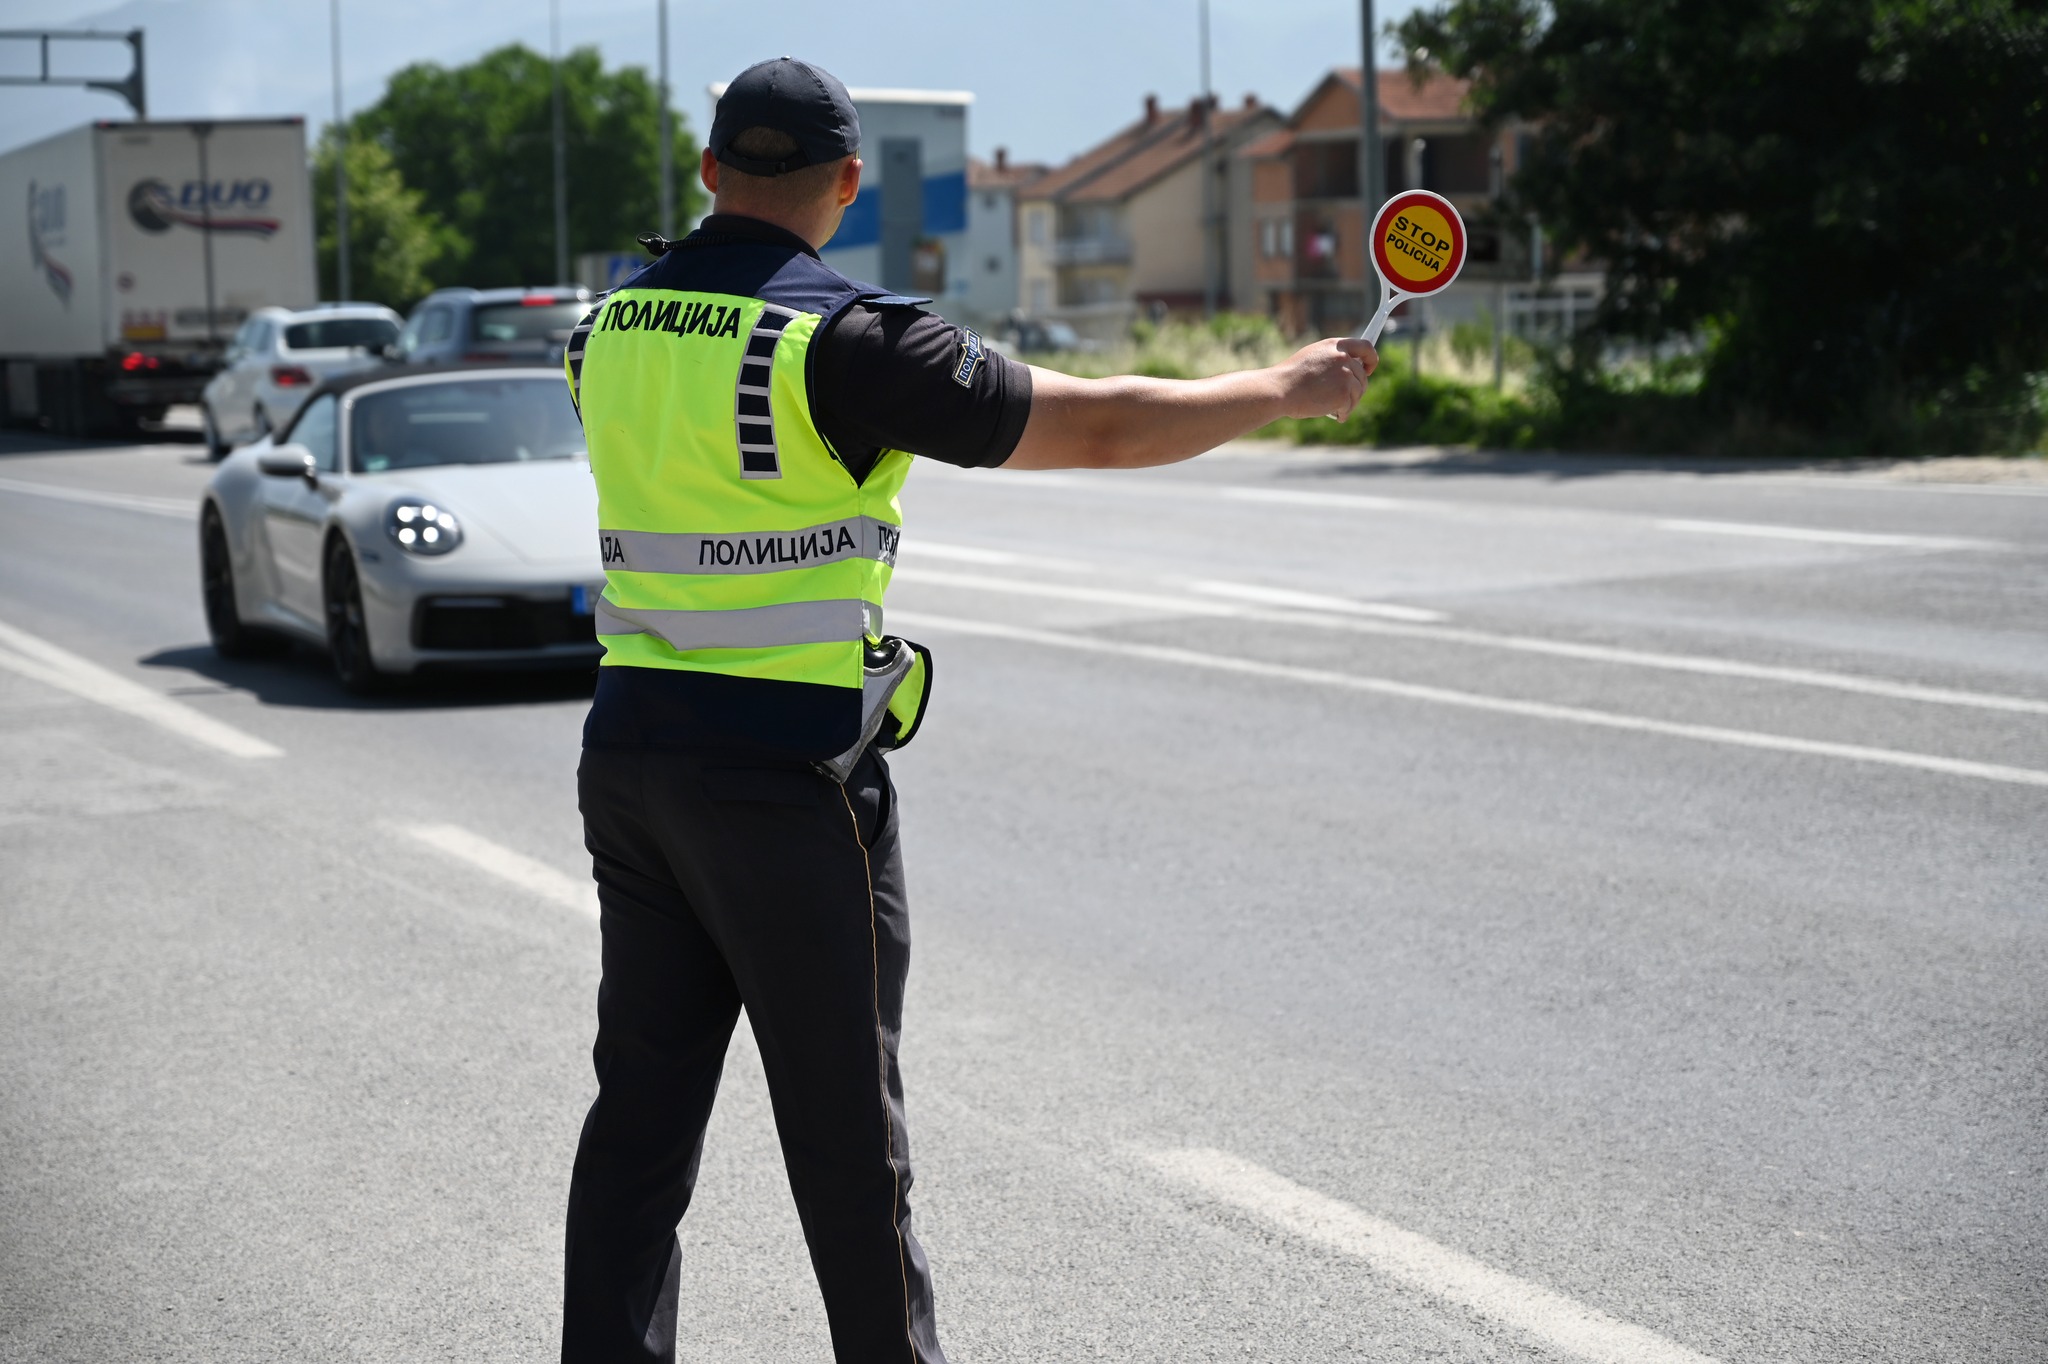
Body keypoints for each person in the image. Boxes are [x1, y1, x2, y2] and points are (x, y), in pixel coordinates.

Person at [561, 56, 1375, 1364]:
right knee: (847, 1151)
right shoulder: (850, 339)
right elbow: (1102, 428)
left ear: (709, 173)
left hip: (631, 759)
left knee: (638, 1134)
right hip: (785, 779)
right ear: (848, 184)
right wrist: (1285, 386)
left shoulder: (610, 327)